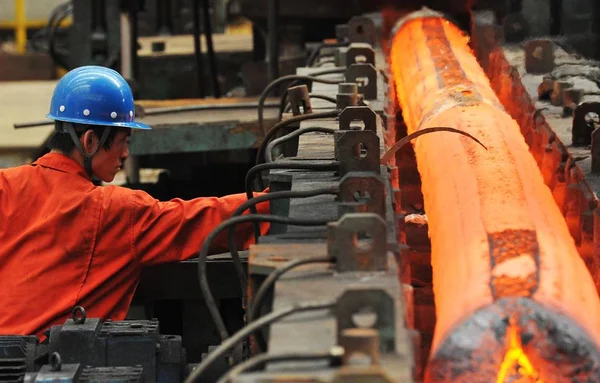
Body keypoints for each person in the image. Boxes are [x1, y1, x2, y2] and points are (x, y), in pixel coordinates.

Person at [0, 66, 269, 338]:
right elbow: (197, 219)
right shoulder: (114, 211)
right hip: (42, 366)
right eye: (123, 140)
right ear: (90, 141)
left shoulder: (5, 185)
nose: (126, 153)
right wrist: (273, 202)